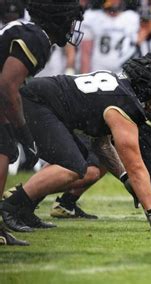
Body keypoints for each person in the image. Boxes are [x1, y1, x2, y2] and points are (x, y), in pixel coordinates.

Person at [0, 52, 151, 240]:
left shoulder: (119, 88)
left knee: (78, 161)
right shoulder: (125, 104)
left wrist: (123, 177)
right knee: (72, 166)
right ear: (150, 88)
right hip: (37, 103)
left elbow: (102, 144)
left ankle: (25, 208)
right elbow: (137, 167)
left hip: (40, 99)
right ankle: (12, 206)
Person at [0, 0, 84, 246]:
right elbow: (7, 86)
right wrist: (21, 129)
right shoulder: (37, 37)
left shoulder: (29, 31)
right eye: (70, 20)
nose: (72, 27)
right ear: (57, 17)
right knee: (4, 148)